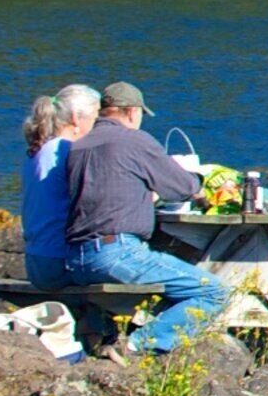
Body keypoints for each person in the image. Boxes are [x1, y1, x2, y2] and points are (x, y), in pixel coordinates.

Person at [62, 79, 225, 355]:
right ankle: (136, 347)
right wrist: (200, 185)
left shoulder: (78, 147)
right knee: (212, 291)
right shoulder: (133, 140)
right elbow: (182, 186)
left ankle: (111, 343)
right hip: (117, 252)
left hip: (76, 259)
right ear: (132, 112)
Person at [18, 89, 86, 288]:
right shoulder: (67, 150)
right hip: (60, 261)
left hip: (35, 261)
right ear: (75, 119)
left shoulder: (36, 152)